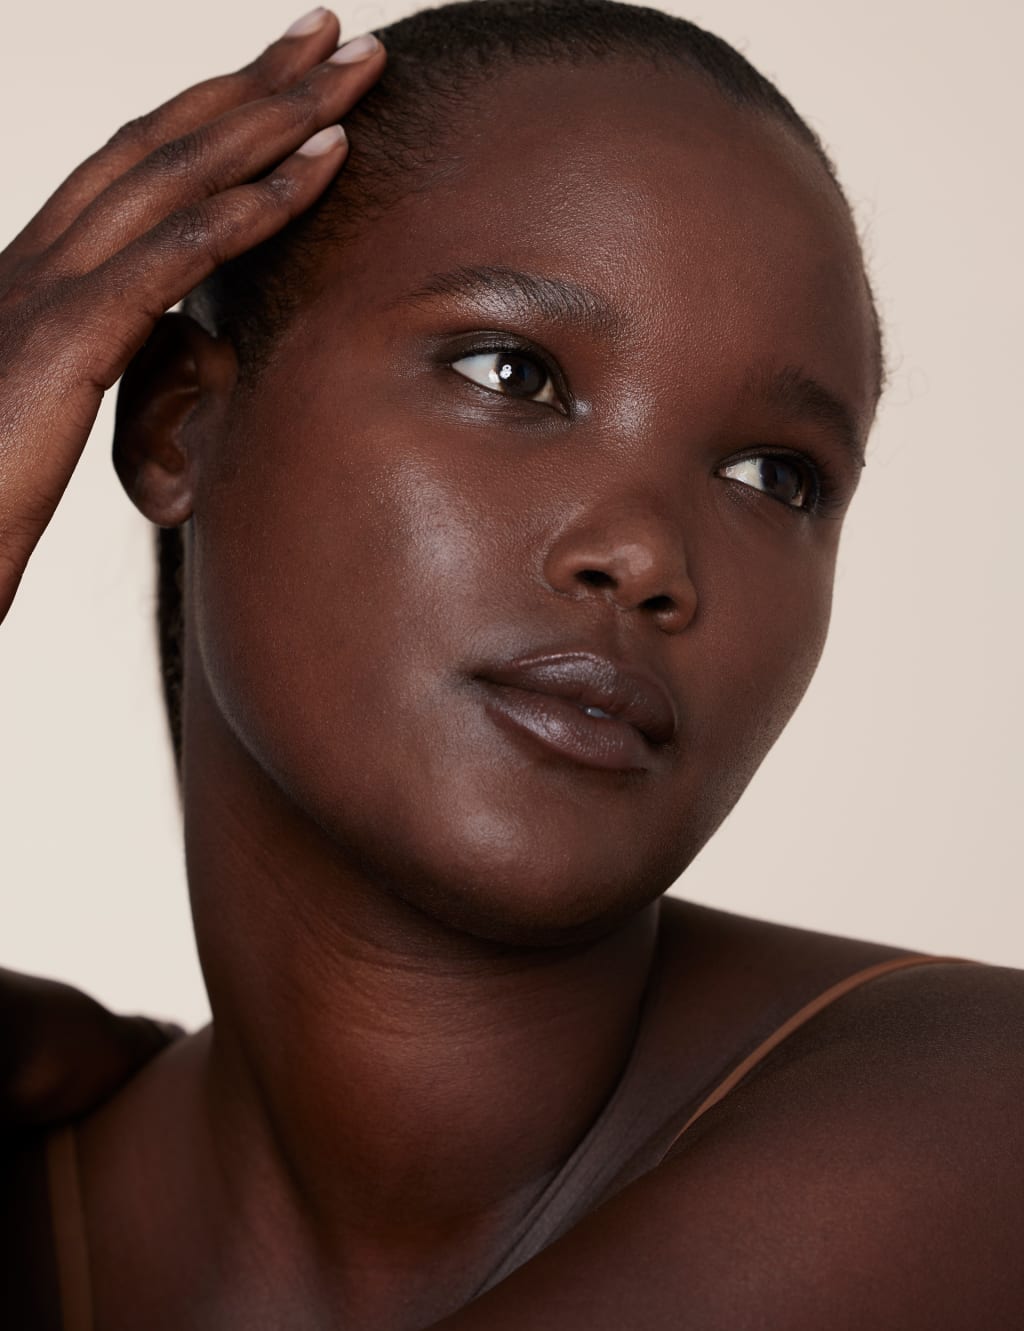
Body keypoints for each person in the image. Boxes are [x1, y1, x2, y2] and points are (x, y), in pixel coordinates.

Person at [2, 1, 1022, 1326]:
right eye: (514, 373)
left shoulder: (968, 1119)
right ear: (176, 423)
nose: (644, 553)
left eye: (777, 477)